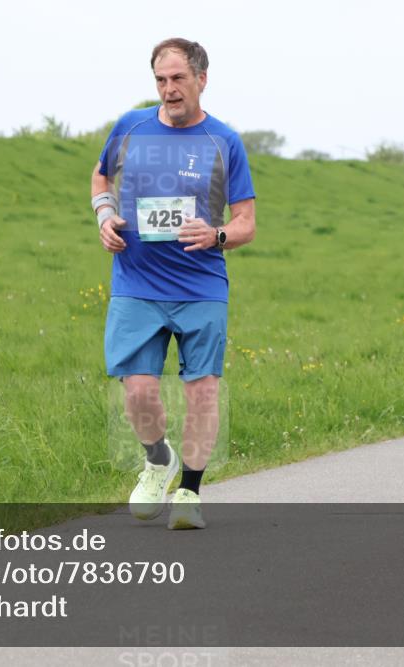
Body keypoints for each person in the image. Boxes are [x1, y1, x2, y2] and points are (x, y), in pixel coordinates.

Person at [89, 38, 256, 528]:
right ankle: (158, 461)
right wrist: (104, 216)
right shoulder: (130, 127)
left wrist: (218, 233)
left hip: (201, 284)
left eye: (178, 79)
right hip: (136, 281)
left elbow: (246, 221)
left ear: (201, 79)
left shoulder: (223, 142)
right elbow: (101, 180)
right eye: (161, 80)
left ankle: (189, 492)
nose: (169, 90)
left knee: (202, 391)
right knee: (138, 390)